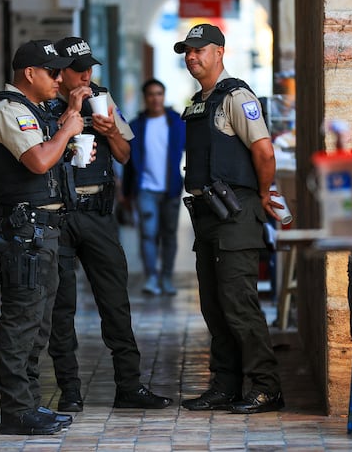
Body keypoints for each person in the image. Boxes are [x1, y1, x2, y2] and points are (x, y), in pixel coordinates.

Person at [46, 36, 172, 412]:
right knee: (61, 305)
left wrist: (110, 129)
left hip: (98, 213)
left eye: (90, 68)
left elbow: (125, 154)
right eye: (79, 69)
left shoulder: (103, 98)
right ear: (60, 73)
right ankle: (69, 391)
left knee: (115, 300)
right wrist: (68, 114)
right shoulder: (42, 102)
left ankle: (129, 386)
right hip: (59, 214)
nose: (87, 74)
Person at [174, 23, 285, 414]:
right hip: (207, 214)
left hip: (235, 211)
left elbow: (264, 152)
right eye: (187, 51)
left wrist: (265, 193)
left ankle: (266, 387)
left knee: (239, 304)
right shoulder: (199, 101)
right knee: (214, 306)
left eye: (199, 50)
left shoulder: (237, 97)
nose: (192, 57)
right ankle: (225, 384)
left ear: (219, 52)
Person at [0, 39, 85, 435]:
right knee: (22, 321)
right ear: (30, 74)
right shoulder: (9, 110)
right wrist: (69, 129)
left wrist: (69, 117)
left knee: (39, 323)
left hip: (42, 231)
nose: (60, 79)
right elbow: (38, 160)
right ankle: (17, 411)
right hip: (25, 232)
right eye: (53, 72)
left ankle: (30, 405)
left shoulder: (31, 111)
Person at [123, 78, 186, 296]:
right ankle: (151, 277)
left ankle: (166, 277)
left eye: (159, 93)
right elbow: (130, 163)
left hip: (171, 189)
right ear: (145, 98)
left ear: (164, 96)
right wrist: (126, 194)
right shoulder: (136, 126)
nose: (155, 98)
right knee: (148, 234)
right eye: (151, 94)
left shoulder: (177, 123)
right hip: (145, 189)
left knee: (168, 235)